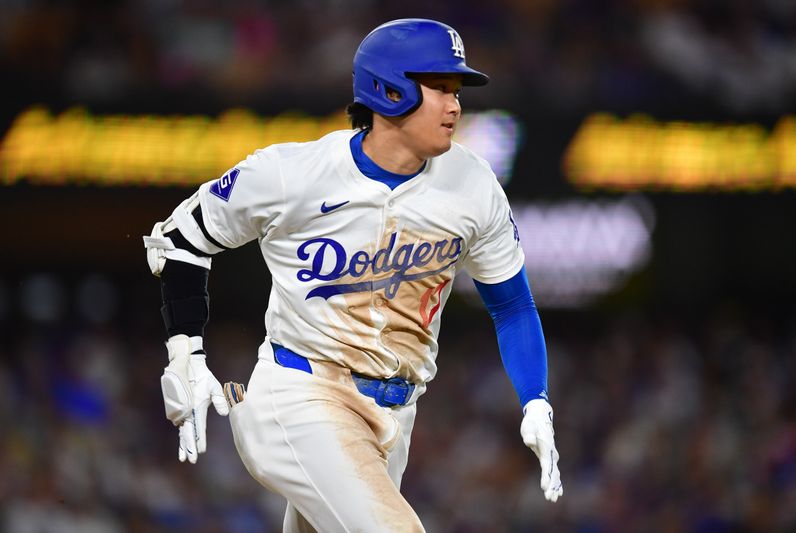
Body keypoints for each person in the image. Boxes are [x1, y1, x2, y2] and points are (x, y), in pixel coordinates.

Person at [144, 18, 562, 532]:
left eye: (457, 91)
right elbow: (181, 238)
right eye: (440, 88)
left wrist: (535, 399)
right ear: (389, 90)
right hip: (300, 396)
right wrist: (186, 349)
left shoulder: (473, 185)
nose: (455, 105)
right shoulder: (293, 173)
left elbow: (513, 305)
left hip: (394, 417)